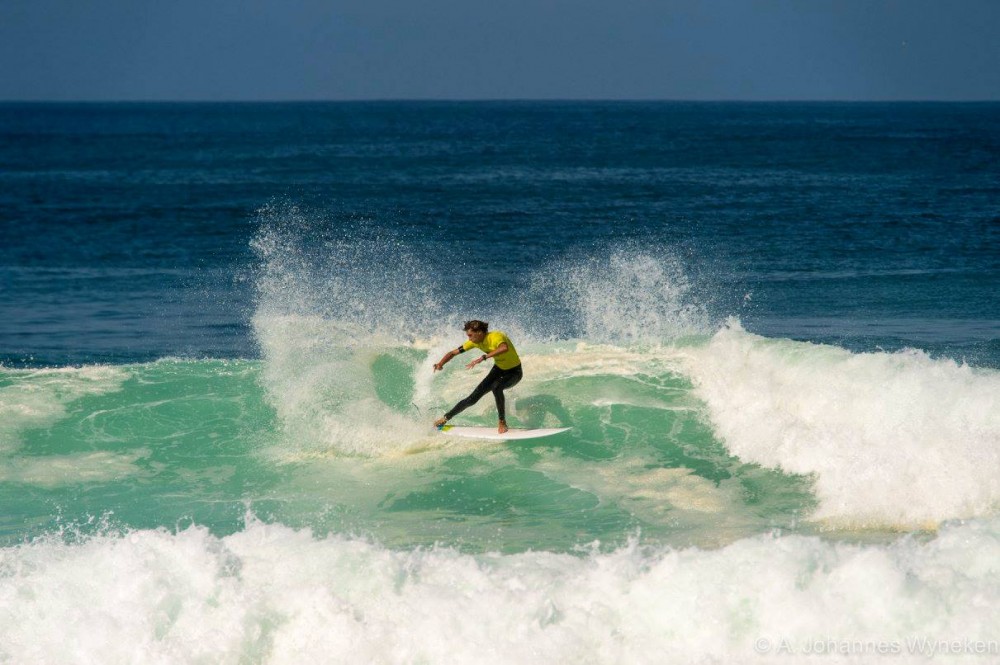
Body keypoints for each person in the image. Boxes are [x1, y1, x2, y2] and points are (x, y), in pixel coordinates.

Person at [433, 320, 522, 434]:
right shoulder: (475, 342)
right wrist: (440, 364)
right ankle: (445, 418)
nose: (469, 338)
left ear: (479, 332)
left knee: (496, 387)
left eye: (470, 335)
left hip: (515, 372)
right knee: (472, 399)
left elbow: (504, 348)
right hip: (498, 370)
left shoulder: (495, 336)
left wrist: (484, 357)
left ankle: (502, 422)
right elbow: (453, 353)